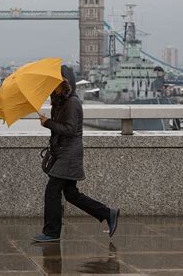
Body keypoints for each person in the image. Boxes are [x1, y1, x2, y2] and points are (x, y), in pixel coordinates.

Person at [32, 65, 119, 242]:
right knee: (71, 194)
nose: (53, 87)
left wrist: (48, 123)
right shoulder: (60, 101)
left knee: (52, 191)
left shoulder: (72, 102)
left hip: (69, 155)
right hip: (64, 153)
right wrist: (49, 119)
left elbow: (70, 129)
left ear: (65, 83)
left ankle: (51, 232)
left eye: (56, 83)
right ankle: (107, 213)